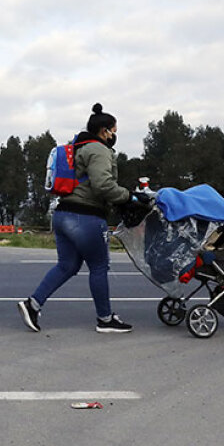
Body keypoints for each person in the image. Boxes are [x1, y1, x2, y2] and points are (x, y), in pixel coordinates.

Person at [17, 103, 145, 334]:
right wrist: (129, 196)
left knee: (67, 265)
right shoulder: (99, 150)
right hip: (85, 217)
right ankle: (105, 319)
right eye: (114, 131)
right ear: (104, 130)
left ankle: (32, 304)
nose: (115, 135)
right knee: (98, 267)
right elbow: (103, 185)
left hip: (63, 214)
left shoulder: (76, 147)